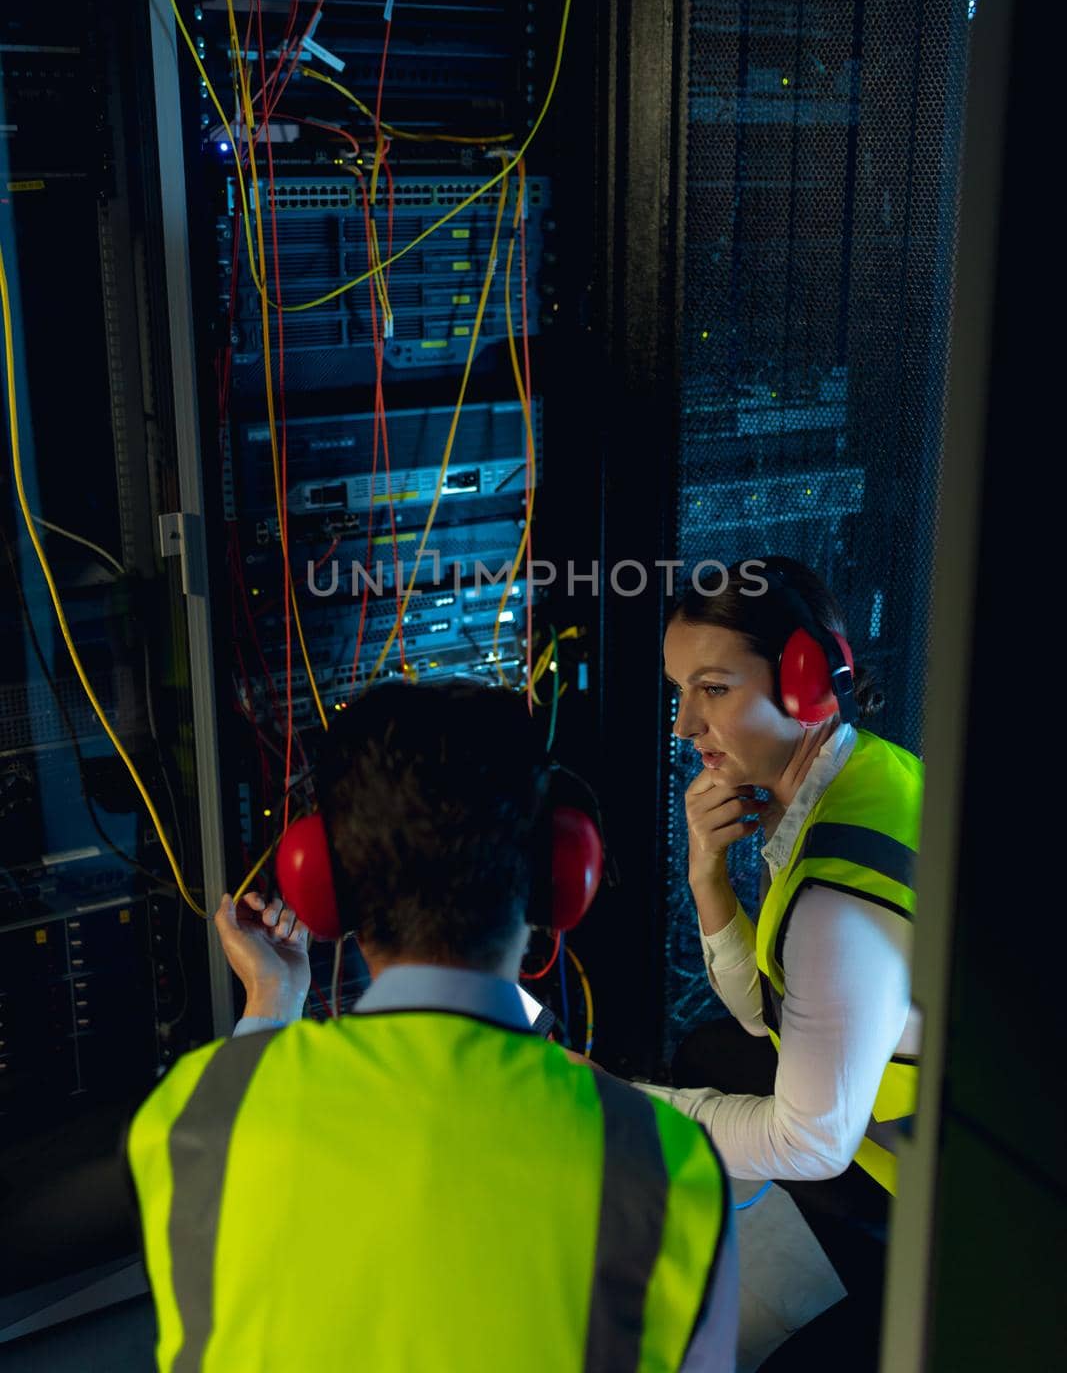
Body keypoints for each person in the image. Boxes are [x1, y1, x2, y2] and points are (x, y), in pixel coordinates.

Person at [127, 680, 738, 1373]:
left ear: (320, 884)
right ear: (565, 874)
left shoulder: (191, 1114)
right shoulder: (665, 1165)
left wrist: (273, 993)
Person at [641, 555, 922, 1370]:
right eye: (679, 691)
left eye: (714, 689)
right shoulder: (854, 771)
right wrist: (706, 872)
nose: (683, 726)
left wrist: (626, 1110)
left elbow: (811, 1146)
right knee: (706, 1052)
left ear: (805, 681)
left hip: (944, 1180)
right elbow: (760, 1008)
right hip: (884, 1109)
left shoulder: (834, 903)